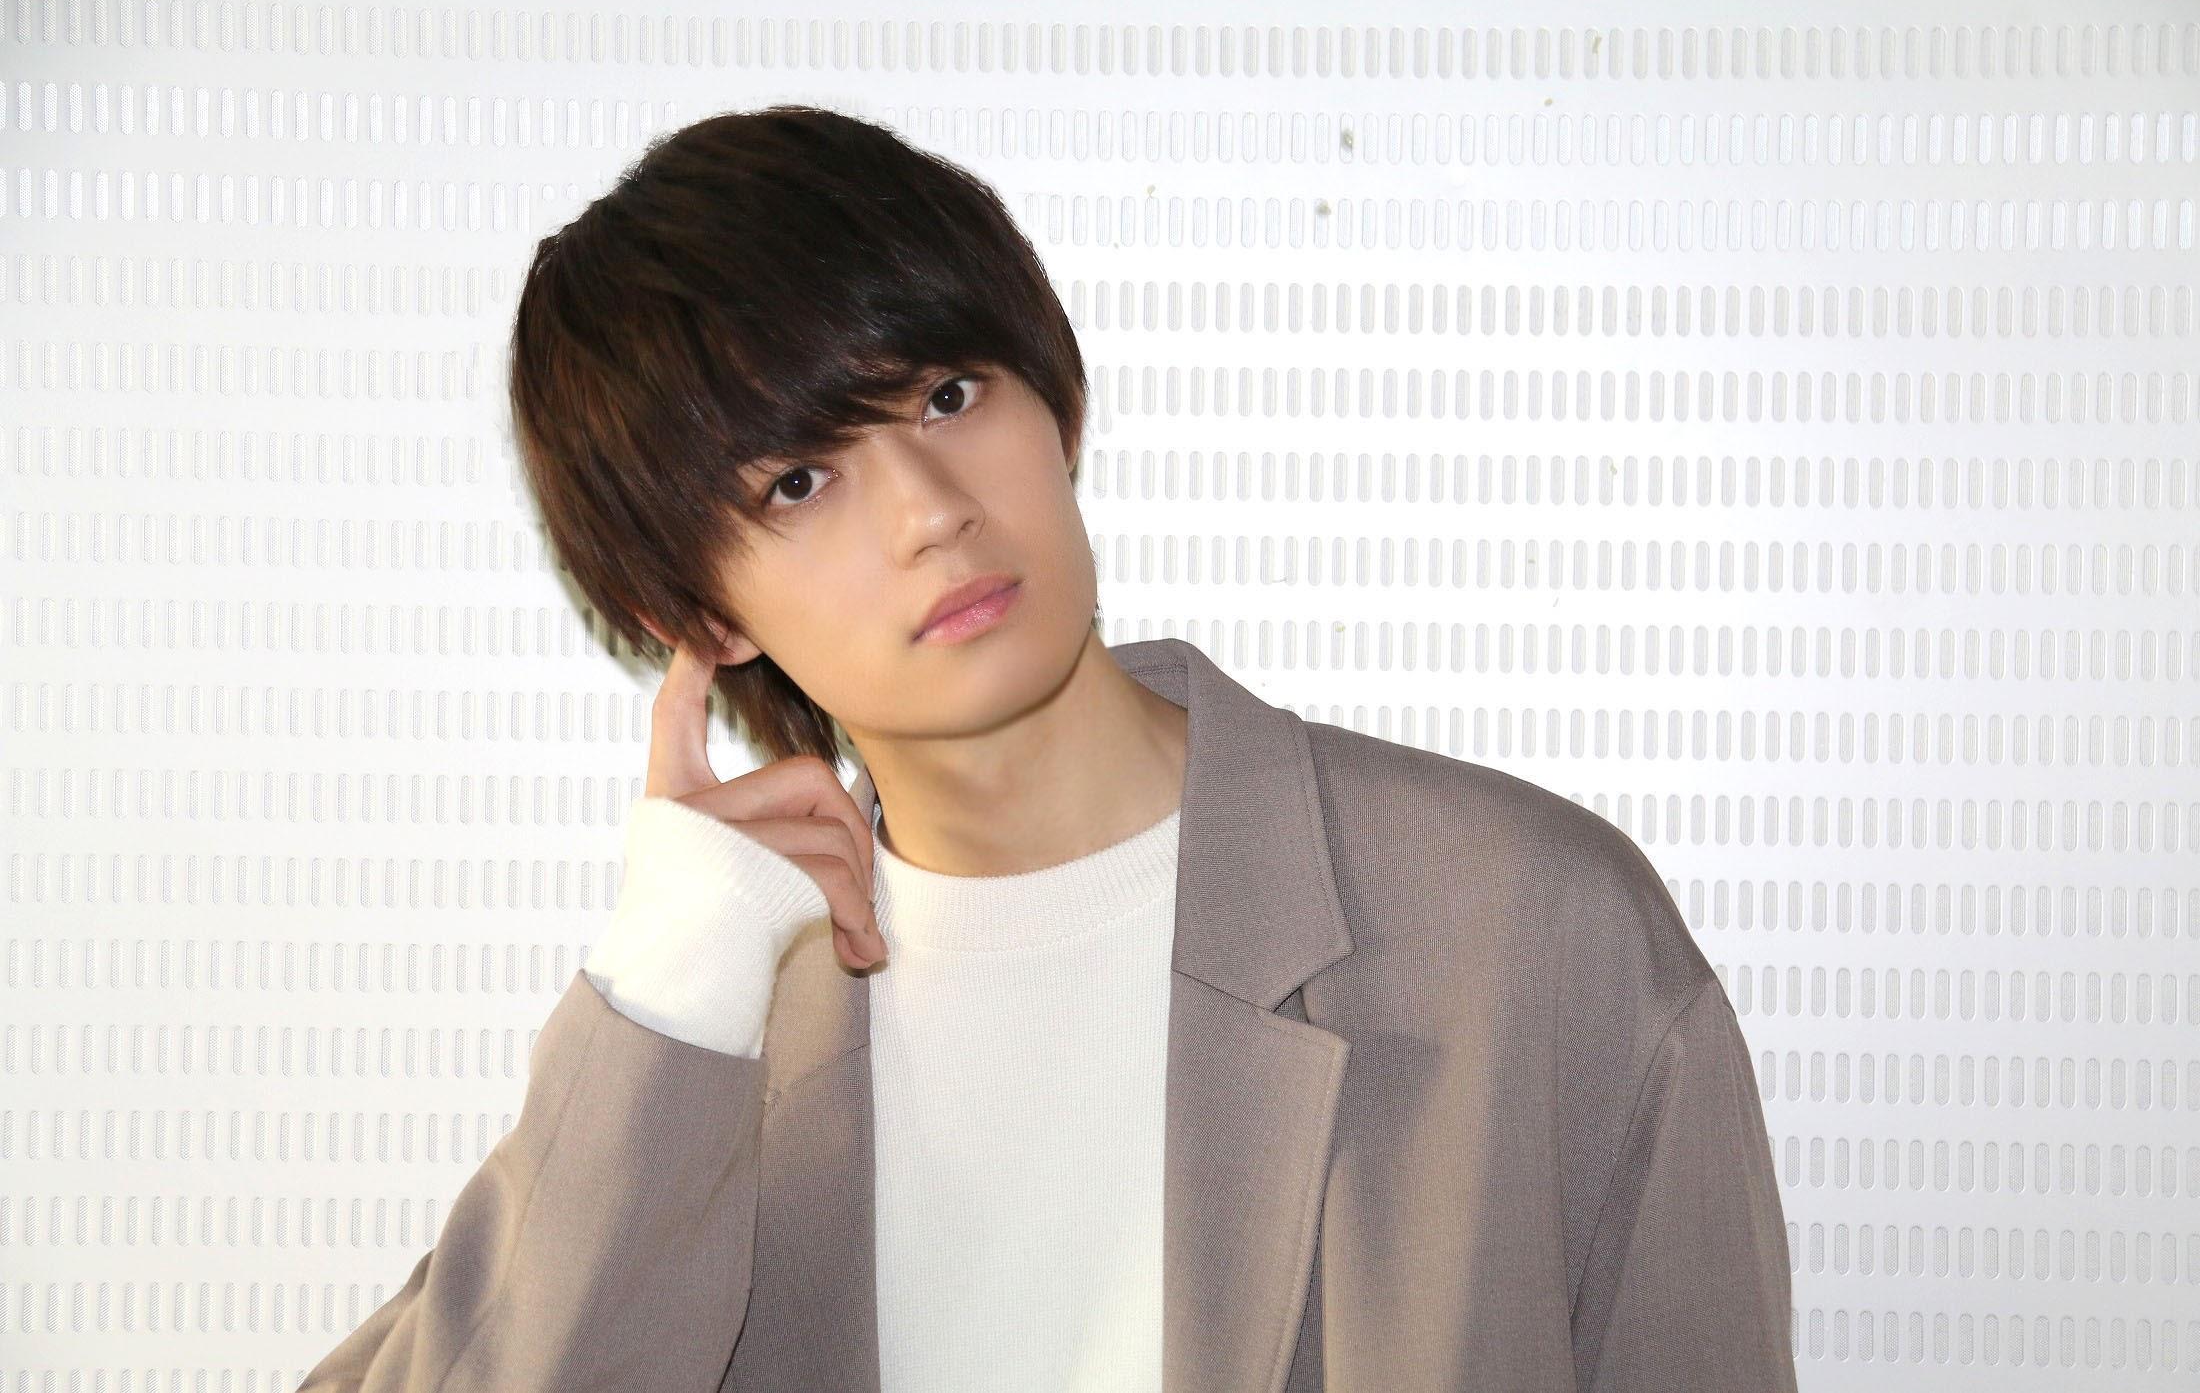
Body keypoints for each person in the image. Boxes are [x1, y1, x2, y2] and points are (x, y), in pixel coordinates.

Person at [299, 107, 1799, 1392]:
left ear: (1057, 397)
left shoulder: (1524, 928)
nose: (929, 508)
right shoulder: (713, 1049)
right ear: (692, 610)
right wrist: (670, 985)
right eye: (801, 479)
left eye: (948, 395)